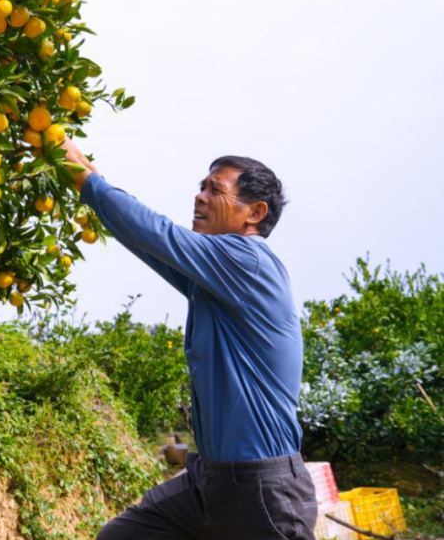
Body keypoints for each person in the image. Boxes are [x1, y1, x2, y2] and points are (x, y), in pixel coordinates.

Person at [62, 139, 318, 540]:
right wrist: (90, 179)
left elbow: (160, 234)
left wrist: (83, 176)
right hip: (211, 481)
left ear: (255, 213)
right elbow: (151, 243)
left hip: (262, 488)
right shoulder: (215, 277)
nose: (199, 196)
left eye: (215, 190)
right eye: (202, 186)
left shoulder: (247, 261)